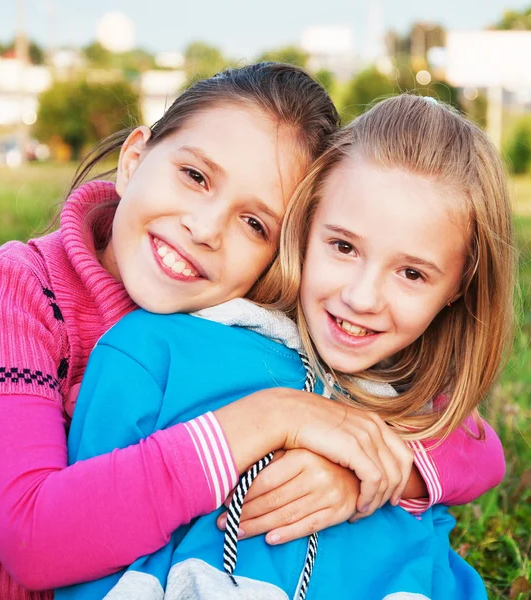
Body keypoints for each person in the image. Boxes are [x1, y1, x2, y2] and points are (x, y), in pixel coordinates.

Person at [0, 62, 361, 600]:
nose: (204, 229)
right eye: (195, 176)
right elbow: (31, 538)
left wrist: (360, 473)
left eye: (255, 224)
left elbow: (470, 445)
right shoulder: (10, 289)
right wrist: (276, 417)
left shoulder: (248, 321)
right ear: (134, 160)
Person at [56, 94, 512, 600]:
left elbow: (480, 451)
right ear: (303, 224)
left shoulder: (404, 399)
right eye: (343, 246)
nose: (360, 298)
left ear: (458, 288)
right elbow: (84, 552)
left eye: (411, 273)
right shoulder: (165, 348)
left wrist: (367, 469)